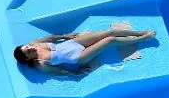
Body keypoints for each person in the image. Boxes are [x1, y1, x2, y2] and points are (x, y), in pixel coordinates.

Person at [13, 28, 156, 74]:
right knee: (110, 40)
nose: (30, 48)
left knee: (109, 32)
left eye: (27, 46)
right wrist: (76, 73)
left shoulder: (34, 43)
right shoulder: (40, 64)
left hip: (73, 43)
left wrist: (66, 36)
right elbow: (59, 71)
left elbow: (50, 38)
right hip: (79, 56)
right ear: (28, 58)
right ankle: (143, 38)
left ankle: (139, 32)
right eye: (28, 51)